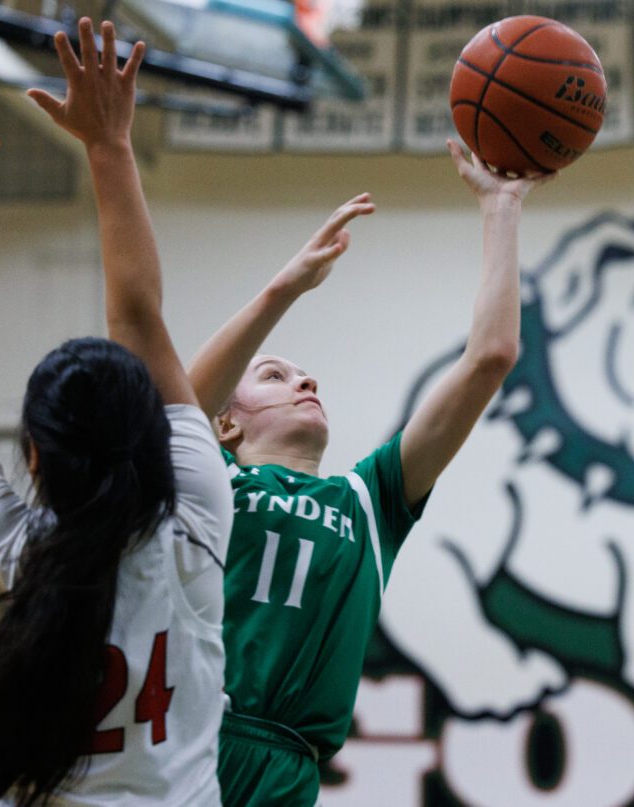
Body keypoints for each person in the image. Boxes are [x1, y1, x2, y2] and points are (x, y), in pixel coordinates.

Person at [0, 18, 234, 807]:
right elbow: (140, 319)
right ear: (156, 437)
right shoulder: (196, 525)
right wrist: (111, 146)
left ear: (32, 456)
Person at [186, 143, 555, 805]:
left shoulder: (370, 499)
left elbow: (491, 357)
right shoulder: (211, 477)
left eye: (304, 374)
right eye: (274, 375)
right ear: (226, 424)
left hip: (288, 766)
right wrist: (284, 289)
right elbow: (176, 407)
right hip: (187, 743)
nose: (305, 379)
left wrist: (501, 207)